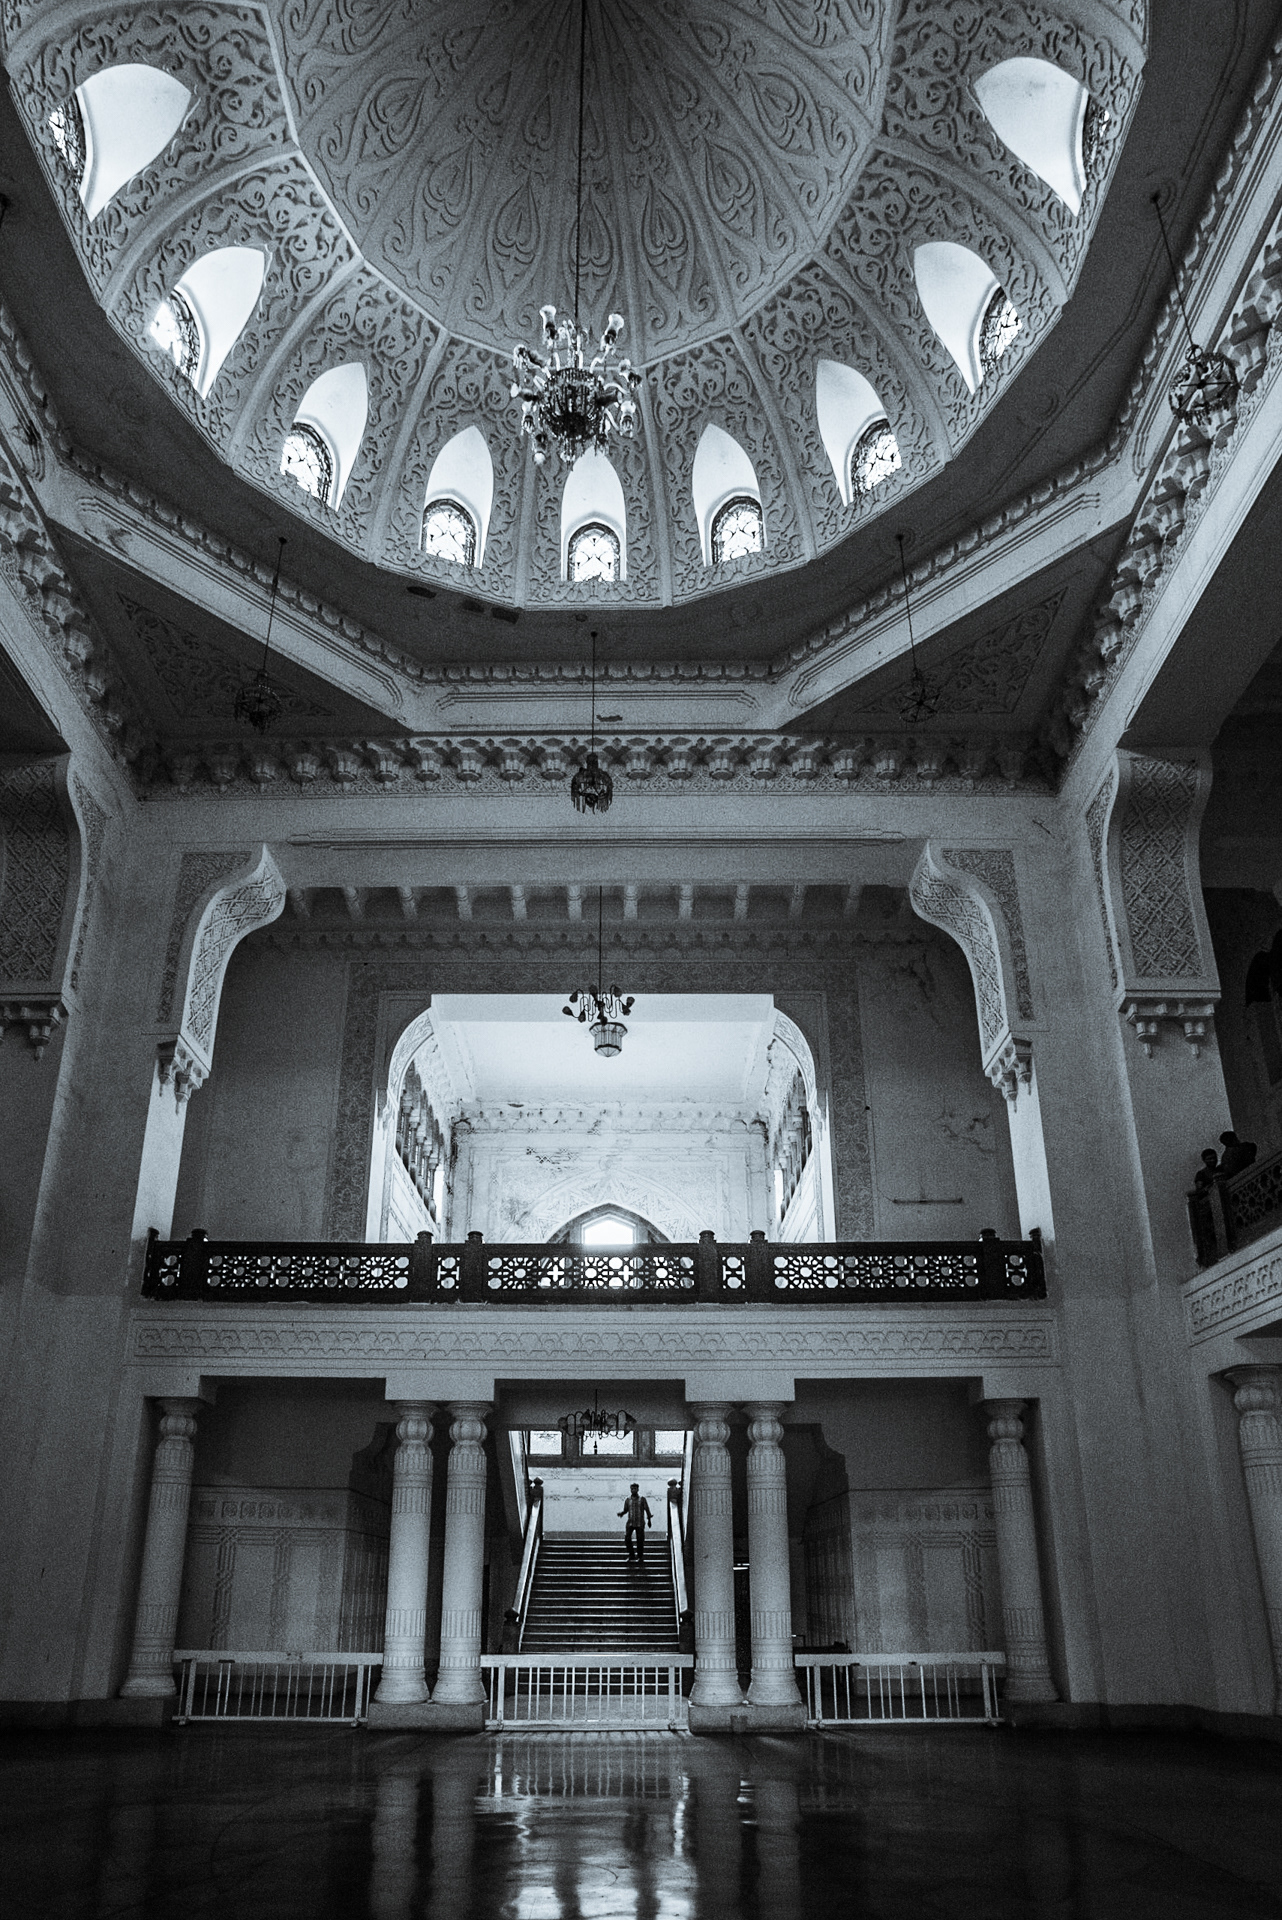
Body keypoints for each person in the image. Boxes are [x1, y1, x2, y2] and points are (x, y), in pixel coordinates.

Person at [619, 1482, 653, 1556]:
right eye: (632, 1489)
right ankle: (631, 1555)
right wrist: (621, 1513)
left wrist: (649, 1520)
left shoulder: (642, 1499)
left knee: (640, 1540)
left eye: (635, 1489)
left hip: (640, 1523)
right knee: (627, 1538)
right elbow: (626, 1509)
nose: (633, 1490)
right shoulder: (628, 1500)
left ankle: (640, 1556)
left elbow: (647, 1509)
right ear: (630, 1490)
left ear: (638, 1489)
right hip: (630, 1522)